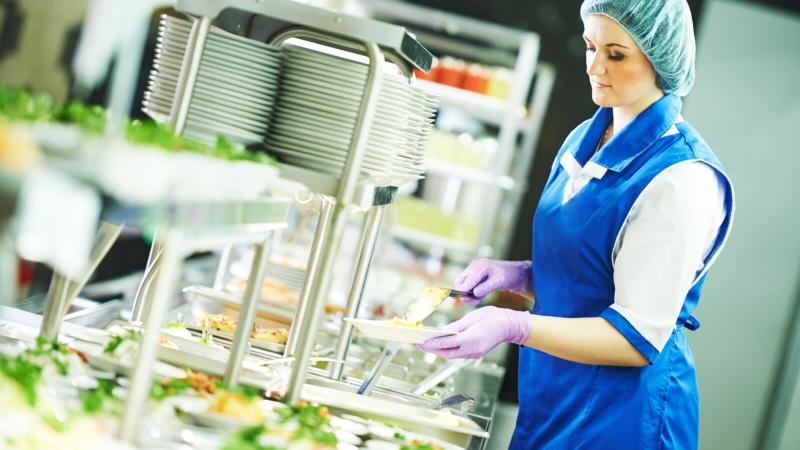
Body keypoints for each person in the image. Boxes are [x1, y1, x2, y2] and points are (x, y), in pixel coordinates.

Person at [417, 1, 736, 448]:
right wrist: (524, 276)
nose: (594, 66)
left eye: (616, 54)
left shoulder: (680, 179)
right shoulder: (583, 141)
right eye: (589, 46)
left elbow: (637, 338)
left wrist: (515, 326)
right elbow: (593, 272)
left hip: (624, 415)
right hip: (556, 390)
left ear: (660, 59)